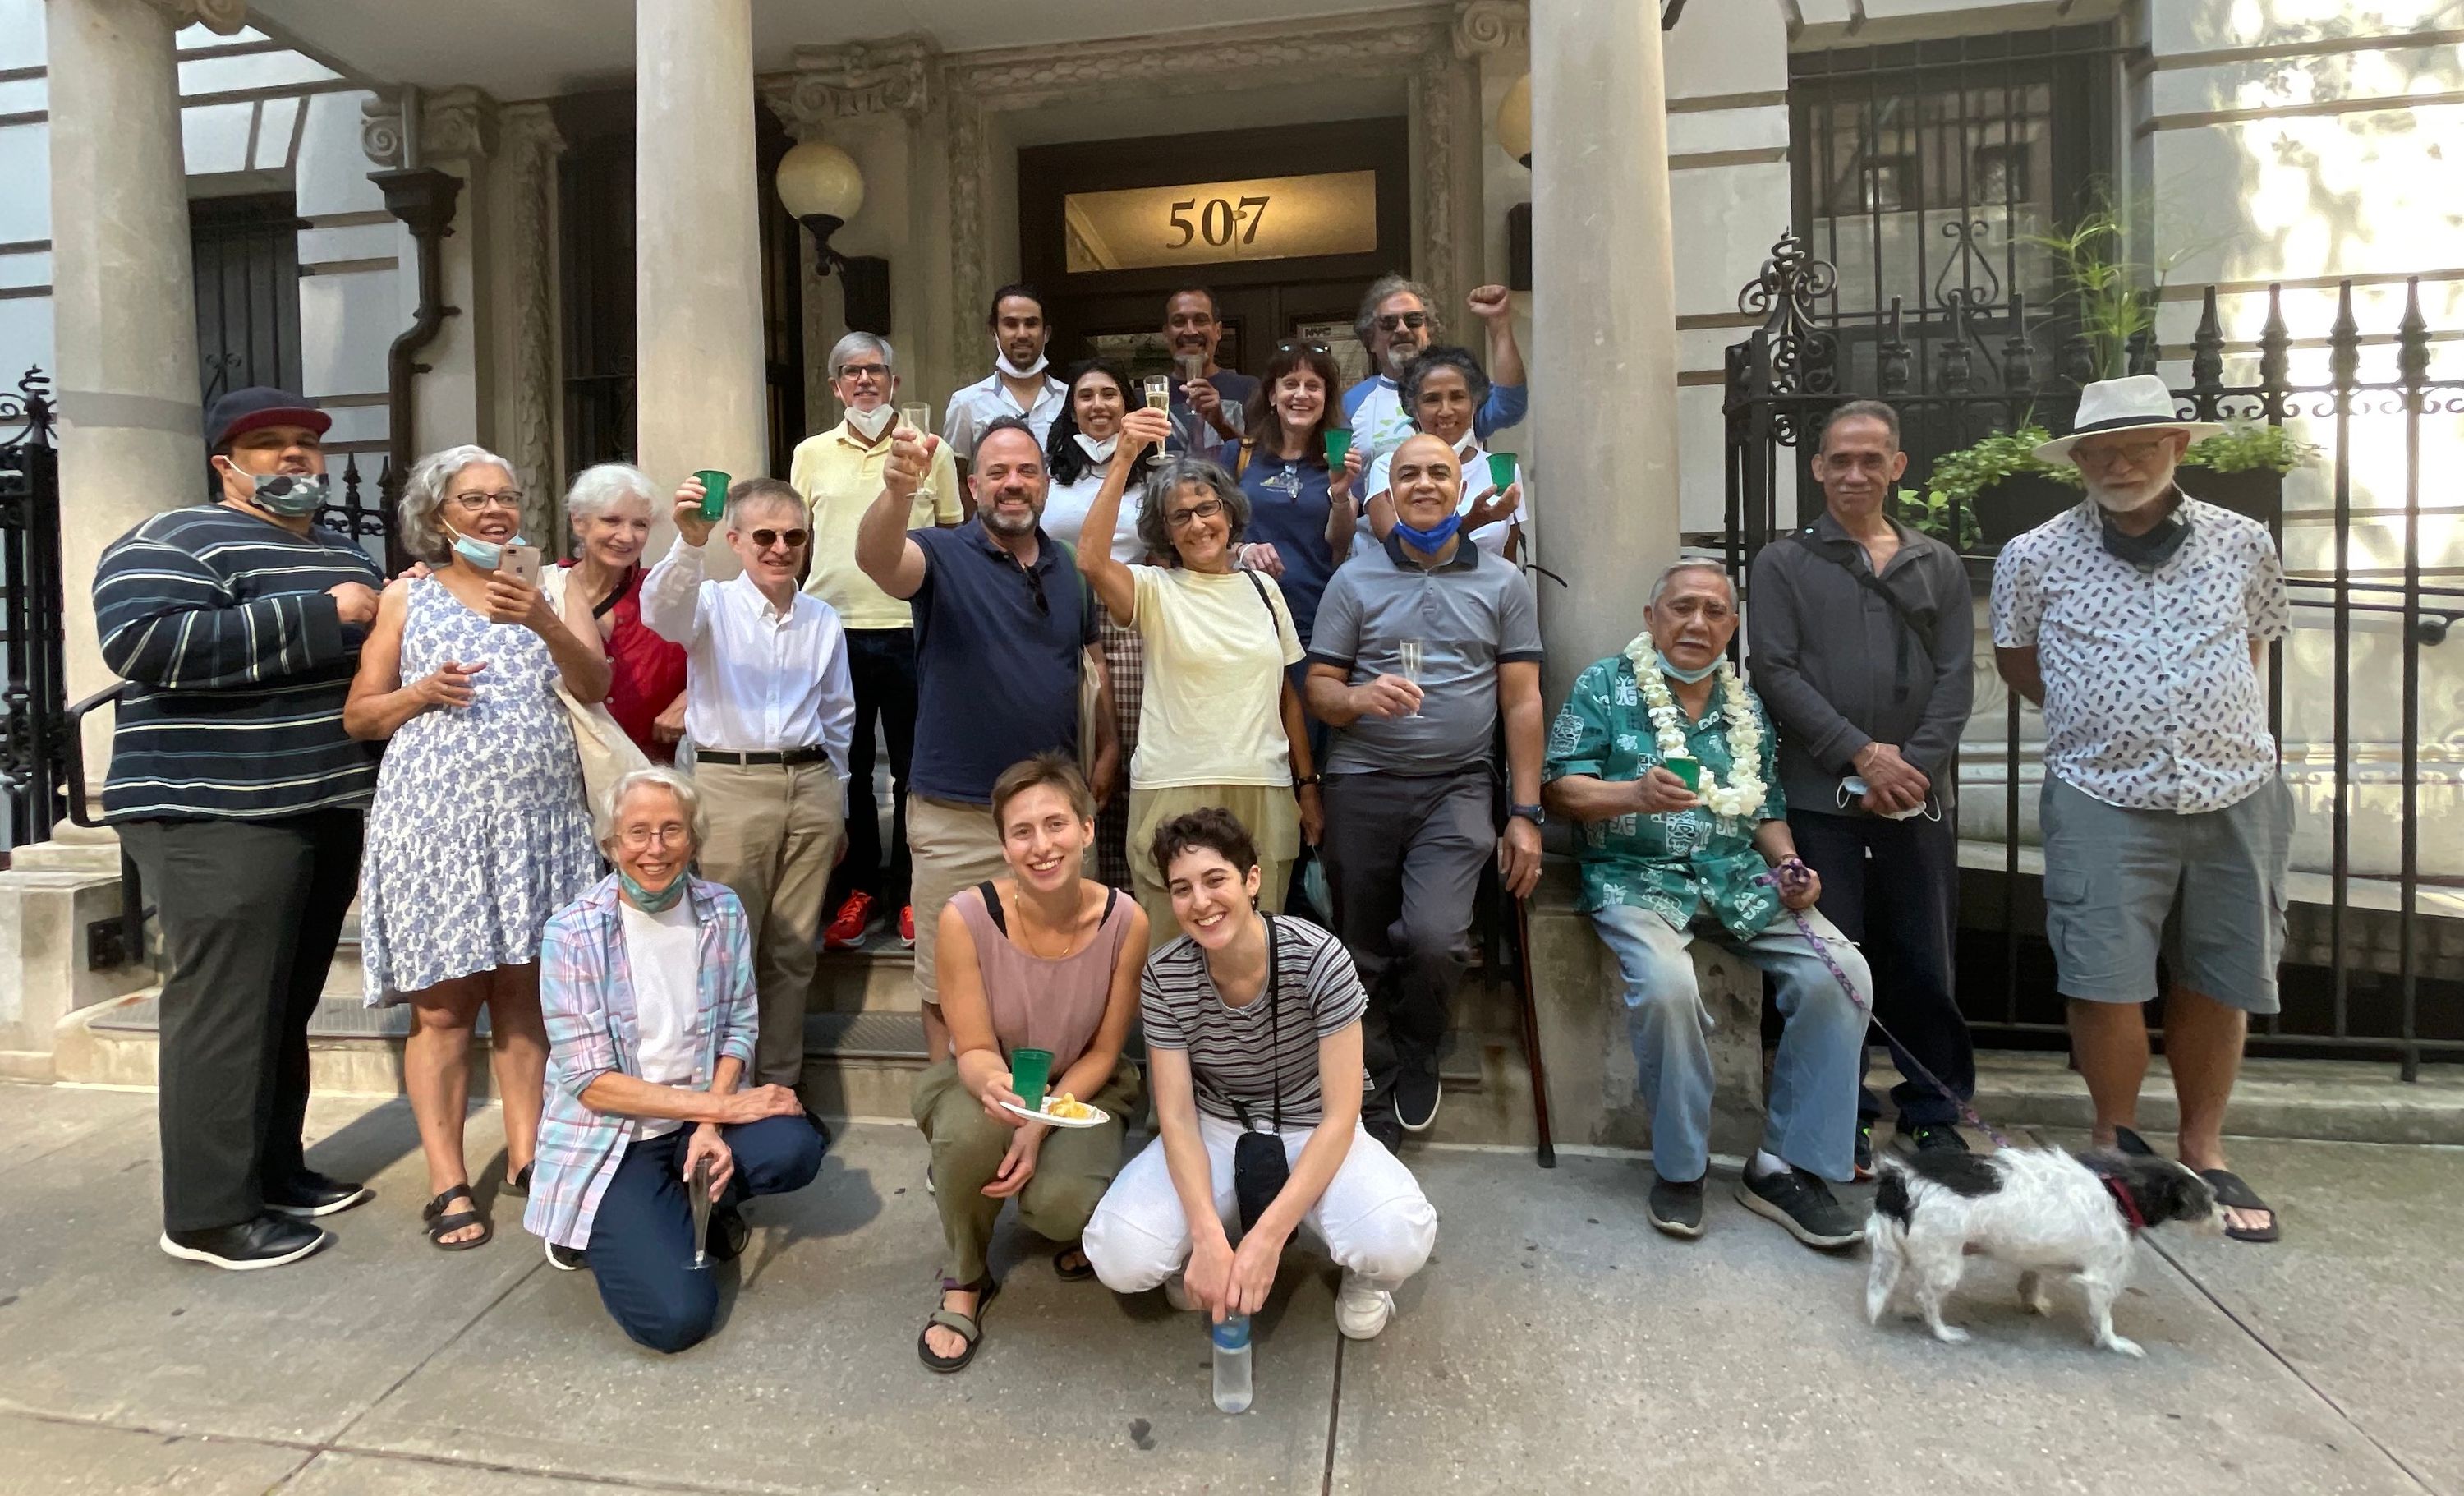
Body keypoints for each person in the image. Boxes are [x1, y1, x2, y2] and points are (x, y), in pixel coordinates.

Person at [1992, 373, 2291, 1244]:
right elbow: (2020, 666)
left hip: (2235, 784)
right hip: (2099, 789)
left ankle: (2203, 1146)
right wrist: (2109, 717)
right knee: (2102, 973)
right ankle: (2114, 1142)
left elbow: (2253, 644)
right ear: (2078, 459)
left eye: (2139, 447)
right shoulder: (2034, 555)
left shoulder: (2243, 542)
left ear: (2178, 447)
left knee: (2218, 971)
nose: (2121, 464)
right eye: (2103, 451)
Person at [97, 386, 381, 1270]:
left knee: (283, 1003)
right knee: (224, 1011)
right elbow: (146, 645)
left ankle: (273, 1169)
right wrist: (323, 617)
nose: (295, 458)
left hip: (319, 806)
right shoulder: (171, 539)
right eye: (270, 445)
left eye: (305, 444)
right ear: (226, 463)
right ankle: (211, 1216)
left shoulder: (345, 550)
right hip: (214, 811)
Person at [1542, 560, 1871, 1250]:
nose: (1697, 622)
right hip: (1635, 877)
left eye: (1714, 611)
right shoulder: (1605, 684)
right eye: (1682, 607)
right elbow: (1562, 791)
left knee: (1842, 972)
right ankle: (1682, 1167)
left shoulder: (1746, 706)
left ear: (1732, 625)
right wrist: (1633, 794)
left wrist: (1788, 865)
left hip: (1735, 877)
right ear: (1651, 616)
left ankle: (1786, 1165)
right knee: (1667, 986)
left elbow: (1766, 809)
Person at [347, 444, 609, 1250]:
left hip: (539, 826)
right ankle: (449, 1180)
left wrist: (541, 616)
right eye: (474, 500)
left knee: (526, 1001)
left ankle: (528, 1158)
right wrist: (418, 693)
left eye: (506, 497)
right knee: (444, 1009)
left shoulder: (554, 587)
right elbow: (360, 716)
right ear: (436, 517)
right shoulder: (406, 598)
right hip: (437, 831)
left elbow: (596, 684)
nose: (496, 511)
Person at [1082, 808, 1437, 1342]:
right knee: (1119, 1253)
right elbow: (1176, 1115)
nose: (1200, 901)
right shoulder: (1165, 973)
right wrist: (1204, 1235)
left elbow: (1342, 1116)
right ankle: (1203, 1251)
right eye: (1182, 888)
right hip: (1216, 1126)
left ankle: (1364, 1278)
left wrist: (1267, 1239)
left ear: (1252, 880)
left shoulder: (1318, 957)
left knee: (1397, 1236)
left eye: (1214, 879)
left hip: (1315, 1126)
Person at [1748, 400, 1977, 1171]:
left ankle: (1933, 1110)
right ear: (1817, 468)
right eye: (1839, 460)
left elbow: (1955, 676)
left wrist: (1912, 765)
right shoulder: (1783, 563)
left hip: (1916, 797)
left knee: (1923, 956)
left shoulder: (1936, 563)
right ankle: (1835, 1106)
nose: (1854, 473)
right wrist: (1857, 753)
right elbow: (1774, 669)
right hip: (1820, 797)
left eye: (1870, 459)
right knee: (1831, 960)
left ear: (1896, 466)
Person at [527, 767, 827, 1354]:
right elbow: (592, 1084)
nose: (655, 848)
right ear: (611, 843)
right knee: (677, 1319)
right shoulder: (573, 932)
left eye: (672, 830)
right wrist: (720, 1105)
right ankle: (602, 1226)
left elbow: (739, 1024)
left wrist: (712, 1125)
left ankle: (694, 1202)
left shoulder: (721, 909)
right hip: (616, 1138)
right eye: (637, 832)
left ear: (694, 838)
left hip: (693, 1121)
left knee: (798, 1143)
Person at [857, 414, 1119, 1065]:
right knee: (948, 982)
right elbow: (878, 560)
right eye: (997, 472)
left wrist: (1107, 752)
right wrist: (895, 491)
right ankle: (958, 1124)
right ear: (972, 487)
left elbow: (1089, 668)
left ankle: (1043, 1110)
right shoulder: (940, 554)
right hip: (957, 814)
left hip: (1052, 820)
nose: (1012, 483)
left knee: (1055, 972)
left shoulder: (1070, 571)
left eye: (1026, 471)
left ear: (1046, 484)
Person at [1307, 433, 1545, 1145]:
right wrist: (1357, 699)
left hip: (1457, 786)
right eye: (1408, 474)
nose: (1424, 485)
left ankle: (1419, 1047)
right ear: (1392, 489)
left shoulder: (1503, 582)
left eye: (1438, 472)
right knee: (1358, 944)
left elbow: (1523, 701)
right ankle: (1369, 1069)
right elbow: (1318, 687)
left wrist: (1526, 813)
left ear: (1458, 484)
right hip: (1361, 780)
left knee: (1438, 937)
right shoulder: (1354, 579)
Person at [913, 754, 1147, 1373]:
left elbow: (1104, 1050)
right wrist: (1008, 1100)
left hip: (1081, 1084)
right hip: (992, 1079)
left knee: (1064, 1201)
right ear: (1004, 845)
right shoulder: (967, 917)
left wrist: (1039, 1125)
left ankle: (1054, 1210)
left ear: (1087, 829)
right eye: (1023, 831)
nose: (1042, 845)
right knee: (970, 1134)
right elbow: (975, 1045)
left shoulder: (1127, 920)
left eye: (1056, 824)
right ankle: (967, 1274)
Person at [1072, 409, 1320, 946]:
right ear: (1164, 533)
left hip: (1263, 784)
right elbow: (1091, 560)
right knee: (1176, 950)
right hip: (1174, 787)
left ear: (1230, 514)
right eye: (1179, 516)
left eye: (1207, 508)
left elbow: (1285, 696)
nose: (1197, 523)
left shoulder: (1263, 589)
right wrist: (1122, 459)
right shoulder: (1153, 589)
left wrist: (1307, 785)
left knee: (1256, 948)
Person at [642, 475, 853, 1099]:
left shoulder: (822, 617)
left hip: (810, 780)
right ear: (736, 539)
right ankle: (726, 1094)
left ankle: (780, 1089)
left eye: (794, 536)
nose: (780, 547)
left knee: (793, 951)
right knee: (730, 949)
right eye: (765, 535)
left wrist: (835, 798)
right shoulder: (710, 603)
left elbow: (838, 714)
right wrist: (688, 542)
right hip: (730, 783)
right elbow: (661, 610)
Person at [791, 332, 963, 954]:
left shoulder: (929, 451)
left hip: (914, 629)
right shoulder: (810, 453)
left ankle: (913, 893)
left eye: (876, 371)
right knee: (852, 770)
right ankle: (858, 891)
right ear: (836, 386)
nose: (865, 381)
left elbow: (952, 541)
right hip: (833, 633)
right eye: (851, 372)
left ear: (894, 382)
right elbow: (798, 543)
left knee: (917, 771)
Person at [1044, 359, 1156, 891]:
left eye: (1109, 394)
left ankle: (1132, 890)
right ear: (1071, 410)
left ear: (1128, 405)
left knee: (1128, 753)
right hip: (1060, 624)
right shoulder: (1048, 474)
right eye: (1085, 396)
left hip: (1124, 623)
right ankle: (1083, 889)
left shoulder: (1152, 475)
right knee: (1081, 756)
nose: (1097, 406)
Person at [1219, 340, 1363, 665]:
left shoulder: (1339, 460)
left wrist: (1340, 494)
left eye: (1313, 386)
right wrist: (1243, 550)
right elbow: (1209, 537)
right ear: (1272, 395)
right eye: (1290, 384)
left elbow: (1340, 546)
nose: (1301, 395)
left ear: (1326, 399)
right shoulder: (1238, 455)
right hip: (1247, 617)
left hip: (1318, 619)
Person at [558, 463, 687, 762]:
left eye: (640, 524)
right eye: (612, 521)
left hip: (649, 773)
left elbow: (735, 656)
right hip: (566, 771)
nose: (627, 537)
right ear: (579, 522)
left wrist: (691, 700)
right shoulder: (544, 589)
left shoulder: (666, 593)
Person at [1359, 344, 1527, 561]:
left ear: (1474, 404)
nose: (1446, 411)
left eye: (1457, 397)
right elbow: (1399, 549)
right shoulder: (1389, 468)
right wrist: (1473, 521)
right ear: (1413, 408)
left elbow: (1509, 558)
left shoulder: (1502, 470)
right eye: (1432, 399)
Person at [1341, 276, 1526, 465]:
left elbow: (1510, 405)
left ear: (1428, 331)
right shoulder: (1352, 402)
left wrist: (1499, 323)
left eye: (1413, 320)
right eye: (1388, 322)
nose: (1402, 329)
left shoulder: (1459, 390)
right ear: (1371, 339)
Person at [942, 283, 1068, 478]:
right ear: (994, 332)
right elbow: (954, 477)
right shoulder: (966, 403)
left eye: (1031, 324)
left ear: (1046, 333)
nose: (1022, 334)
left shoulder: (1071, 399)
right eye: (1010, 324)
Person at [1161, 286, 1261, 449]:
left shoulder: (1250, 389)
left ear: (1218, 331)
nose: (1190, 331)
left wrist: (1222, 425)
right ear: (1166, 333)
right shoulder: (1147, 398)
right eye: (1179, 322)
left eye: (1200, 320)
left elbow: (1264, 463)